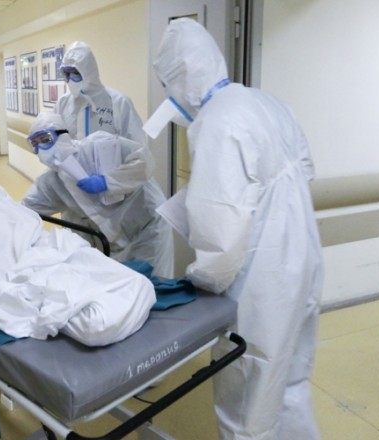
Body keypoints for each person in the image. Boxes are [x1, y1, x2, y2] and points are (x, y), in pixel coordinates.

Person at [146, 18, 323, 440]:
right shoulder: (268, 102)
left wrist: (200, 279)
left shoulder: (216, 122)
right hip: (304, 260)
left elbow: (221, 238)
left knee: (248, 401)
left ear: (181, 75)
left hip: (263, 283)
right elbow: (305, 171)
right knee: (290, 380)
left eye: (168, 84)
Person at [22, 111, 173, 278]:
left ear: (63, 135)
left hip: (147, 226)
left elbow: (144, 161)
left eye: (45, 139)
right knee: (125, 285)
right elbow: (26, 208)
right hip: (112, 238)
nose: (41, 149)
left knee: (154, 281)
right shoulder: (51, 180)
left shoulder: (99, 145)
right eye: (35, 144)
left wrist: (109, 181)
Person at [54, 41, 145, 143]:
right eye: (67, 73)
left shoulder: (119, 102)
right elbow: (57, 142)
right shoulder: (62, 103)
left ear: (88, 72)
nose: (71, 78)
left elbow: (137, 145)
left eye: (75, 73)